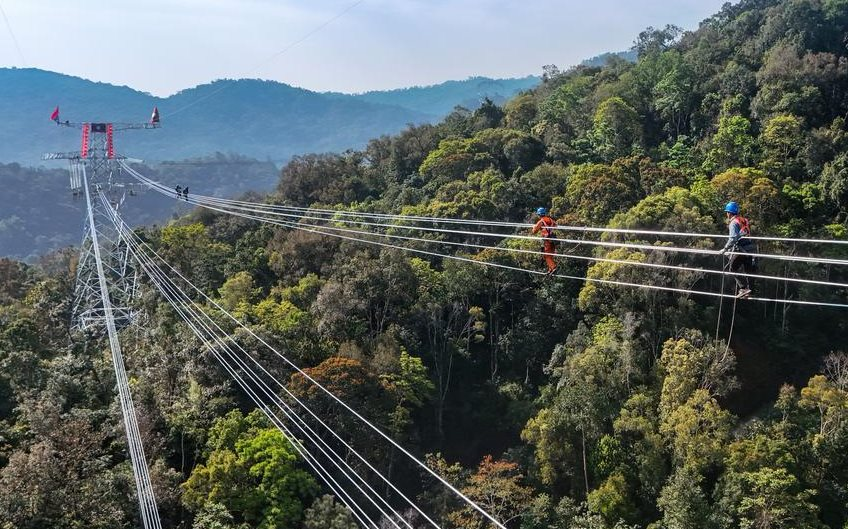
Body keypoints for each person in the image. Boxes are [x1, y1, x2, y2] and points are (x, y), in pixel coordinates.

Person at [718, 201, 756, 298]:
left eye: (727, 212)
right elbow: (742, 235)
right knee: (748, 271)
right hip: (750, 248)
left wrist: (725, 249)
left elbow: (733, 238)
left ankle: (743, 289)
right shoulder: (744, 220)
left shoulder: (733, 223)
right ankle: (750, 291)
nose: (727, 214)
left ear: (729, 213)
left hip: (741, 250)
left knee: (732, 268)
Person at [532, 207, 558, 275]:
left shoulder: (541, 221)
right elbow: (556, 226)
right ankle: (550, 269)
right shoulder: (551, 220)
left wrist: (534, 227)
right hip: (553, 240)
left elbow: (534, 231)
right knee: (550, 255)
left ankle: (553, 267)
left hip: (547, 241)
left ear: (539, 215)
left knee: (547, 256)